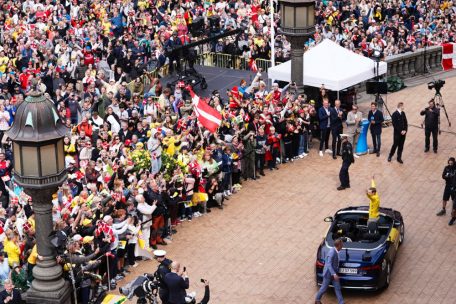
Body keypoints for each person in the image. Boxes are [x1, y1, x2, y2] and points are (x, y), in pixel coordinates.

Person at [315, 238, 344, 304]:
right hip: (328, 274)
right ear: (339, 245)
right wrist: (334, 274)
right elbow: (328, 264)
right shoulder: (332, 252)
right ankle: (317, 300)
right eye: (342, 244)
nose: (342, 246)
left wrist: (334, 274)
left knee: (337, 288)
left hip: (334, 274)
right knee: (324, 288)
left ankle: (341, 302)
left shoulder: (335, 250)